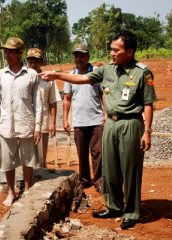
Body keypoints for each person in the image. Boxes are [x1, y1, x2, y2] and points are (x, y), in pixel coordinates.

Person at [38, 31, 156, 230]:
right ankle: (114, 206)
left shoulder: (142, 72)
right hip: (110, 123)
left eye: (116, 50)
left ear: (129, 51)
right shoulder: (107, 70)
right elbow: (82, 78)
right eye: (110, 49)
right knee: (109, 169)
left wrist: (147, 131)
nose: (111, 53)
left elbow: (148, 103)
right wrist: (57, 75)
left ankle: (131, 211)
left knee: (130, 170)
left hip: (131, 124)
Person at [0, 37, 42, 207]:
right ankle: (11, 191)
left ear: (20, 53)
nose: (7, 55)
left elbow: (38, 103)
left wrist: (38, 127)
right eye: (6, 51)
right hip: (6, 125)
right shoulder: (0, 75)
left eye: (11, 52)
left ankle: (27, 189)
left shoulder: (31, 75)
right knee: (7, 161)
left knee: (28, 159)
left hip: (26, 123)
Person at [63, 43, 104, 192]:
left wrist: (105, 114)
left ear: (88, 56)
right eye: (76, 55)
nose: (79, 58)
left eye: (82, 55)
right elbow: (67, 99)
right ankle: (85, 180)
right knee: (82, 153)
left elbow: (103, 95)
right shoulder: (70, 76)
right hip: (79, 121)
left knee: (98, 153)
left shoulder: (97, 73)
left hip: (96, 120)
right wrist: (65, 119)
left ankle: (99, 181)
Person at [26, 48, 61, 168]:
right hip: (25, 123)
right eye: (30, 62)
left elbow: (52, 102)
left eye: (36, 62)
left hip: (42, 123)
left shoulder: (48, 79)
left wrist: (53, 123)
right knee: (26, 157)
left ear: (41, 62)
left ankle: (41, 182)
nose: (33, 65)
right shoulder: (22, 78)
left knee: (41, 158)